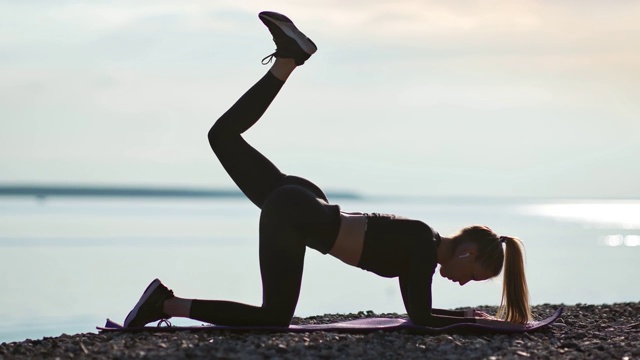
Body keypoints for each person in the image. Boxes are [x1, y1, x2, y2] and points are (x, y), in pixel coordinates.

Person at [123, 11, 532, 328]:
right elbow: (420, 320)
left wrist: (467, 318)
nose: (463, 284)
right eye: (472, 276)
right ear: (468, 251)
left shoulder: (422, 238)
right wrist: (470, 320)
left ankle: (287, 60)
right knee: (274, 318)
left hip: (302, 203)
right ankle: (166, 303)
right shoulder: (421, 251)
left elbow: (420, 313)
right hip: (296, 213)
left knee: (222, 137)